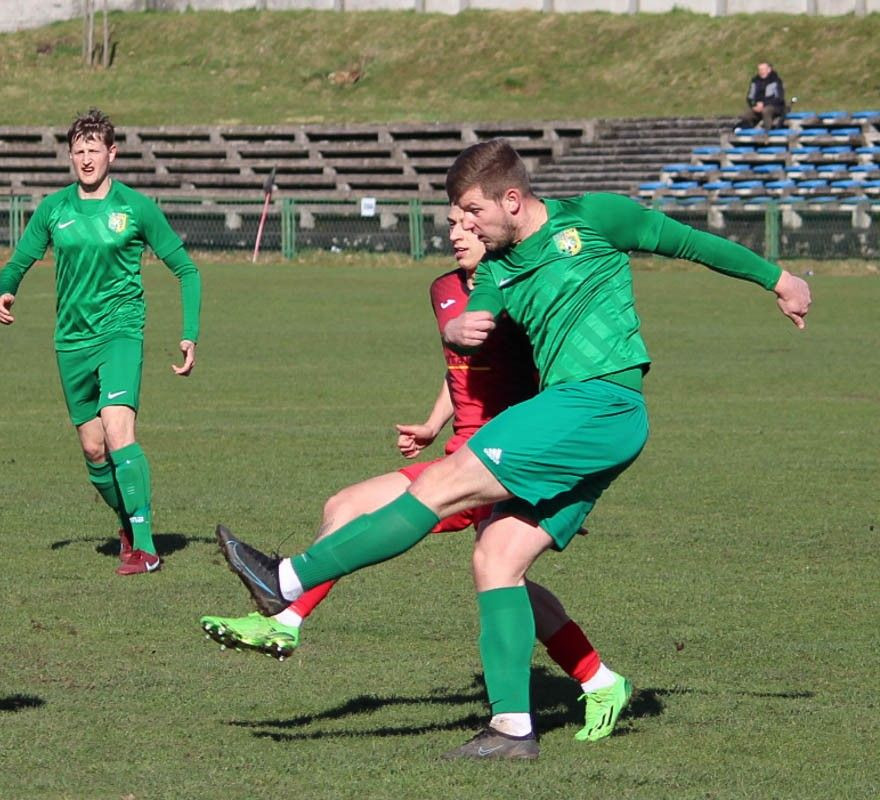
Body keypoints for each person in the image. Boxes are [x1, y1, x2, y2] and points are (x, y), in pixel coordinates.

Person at [213, 139, 811, 760]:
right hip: (580, 422)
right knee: (497, 559)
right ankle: (513, 729)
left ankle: (287, 580)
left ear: (512, 199)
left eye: (472, 211)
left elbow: (691, 243)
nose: (463, 224)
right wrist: (455, 327)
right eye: (456, 214)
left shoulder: (596, 217)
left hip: (599, 402)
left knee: (438, 488)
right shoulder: (497, 269)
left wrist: (779, 278)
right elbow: (476, 320)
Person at [199, 205, 634, 743]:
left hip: (510, 460)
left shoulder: (523, 288)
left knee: (392, 524)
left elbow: (557, 379)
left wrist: (556, 477)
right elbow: (459, 360)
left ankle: (286, 614)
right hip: (460, 452)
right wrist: (434, 421)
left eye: (469, 224)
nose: (457, 234)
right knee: (480, 566)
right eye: (451, 224)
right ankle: (598, 679)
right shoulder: (444, 289)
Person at [0, 108, 202, 576]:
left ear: (112, 153)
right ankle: (128, 524)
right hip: (71, 341)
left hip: (120, 332)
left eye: (94, 150)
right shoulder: (55, 209)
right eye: (78, 151)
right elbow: (19, 260)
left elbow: (187, 270)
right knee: (93, 448)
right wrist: (6, 289)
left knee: (117, 431)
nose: (86, 158)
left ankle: (146, 549)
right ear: (70, 156)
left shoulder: (135, 207)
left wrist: (189, 334)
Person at [738, 62, 787, 130]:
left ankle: (767, 132)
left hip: (774, 106)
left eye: (763, 69)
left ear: (769, 70)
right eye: (760, 70)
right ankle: (749, 132)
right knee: (746, 115)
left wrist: (764, 104)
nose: (761, 72)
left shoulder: (776, 81)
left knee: (766, 111)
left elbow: (779, 98)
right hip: (758, 107)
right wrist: (754, 105)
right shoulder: (755, 81)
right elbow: (750, 97)